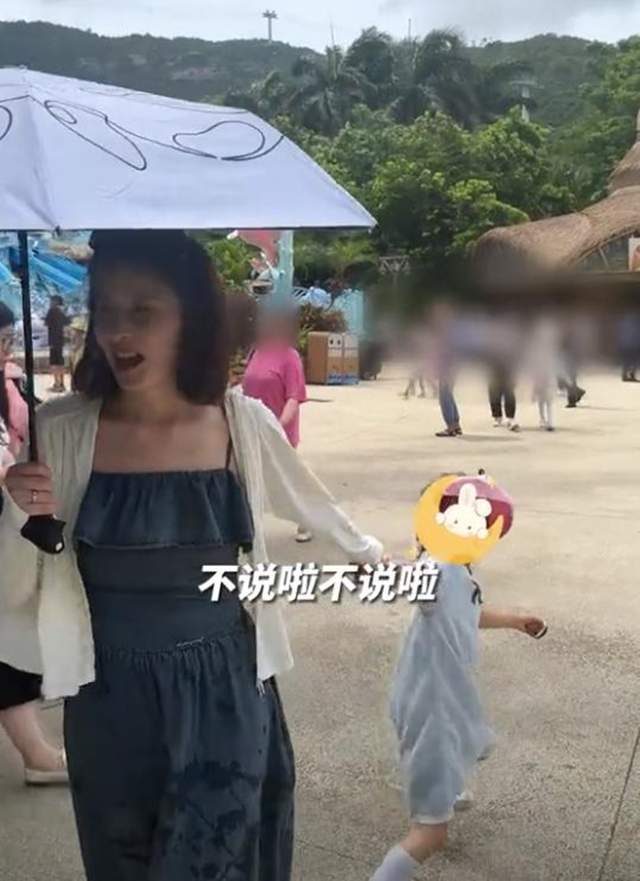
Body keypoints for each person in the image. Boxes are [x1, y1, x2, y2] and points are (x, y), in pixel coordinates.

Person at [0, 230, 383, 881]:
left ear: (191, 318)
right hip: (106, 697)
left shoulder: (240, 425)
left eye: (143, 311)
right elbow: (14, 588)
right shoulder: (58, 431)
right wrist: (19, 511)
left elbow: (311, 502)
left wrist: (370, 554)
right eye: (107, 310)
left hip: (224, 691)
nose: (119, 332)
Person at [370, 487, 545, 881]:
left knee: (470, 740)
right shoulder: (442, 567)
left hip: (441, 698)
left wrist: (515, 621)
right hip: (432, 710)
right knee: (430, 835)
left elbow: (469, 610)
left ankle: (446, 786)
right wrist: (378, 567)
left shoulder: (456, 570)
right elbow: (413, 581)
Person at [0, 302, 68, 785]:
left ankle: (37, 754)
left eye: (6, 341)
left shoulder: (9, 387)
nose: (3, 351)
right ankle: (37, 756)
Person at [242, 303, 312, 543]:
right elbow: (248, 386)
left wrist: (278, 426)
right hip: (252, 429)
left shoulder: (289, 357)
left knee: (288, 480)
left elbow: (294, 397)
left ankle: (307, 521)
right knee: (249, 479)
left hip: (278, 432)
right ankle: (246, 527)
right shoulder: (256, 352)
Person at [44, 294, 69, 393]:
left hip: (53, 340)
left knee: (54, 363)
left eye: (51, 301)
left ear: (55, 302)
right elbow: (67, 322)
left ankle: (57, 384)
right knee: (60, 362)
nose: (50, 303)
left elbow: (46, 323)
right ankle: (62, 383)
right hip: (60, 340)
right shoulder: (62, 312)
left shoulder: (51, 311)